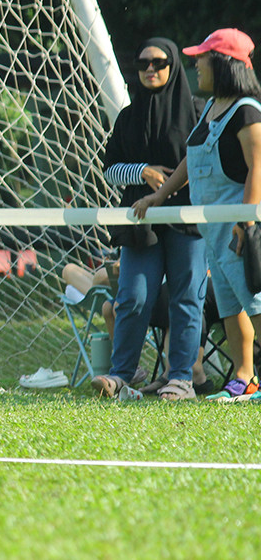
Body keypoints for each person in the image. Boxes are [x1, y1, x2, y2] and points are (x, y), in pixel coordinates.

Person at [135, 28, 261, 402]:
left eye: (202, 57)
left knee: (256, 305)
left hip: (241, 229)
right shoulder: (209, 107)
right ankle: (244, 378)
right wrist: (159, 195)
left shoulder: (247, 111)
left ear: (222, 63)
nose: (195, 64)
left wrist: (247, 223)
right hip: (213, 231)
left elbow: (258, 168)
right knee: (230, 305)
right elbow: (191, 161)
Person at [92, 37, 208, 400]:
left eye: (158, 63)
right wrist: (142, 172)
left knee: (186, 298)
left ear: (173, 66)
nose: (150, 70)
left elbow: (205, 162)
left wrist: (172, 184)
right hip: (140, 223)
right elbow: (110, 169)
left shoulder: (198, 110)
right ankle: (122, 375)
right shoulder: (129, 116)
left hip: (188, 221)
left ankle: (181, 379)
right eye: (142, 63)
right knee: (133, 297)